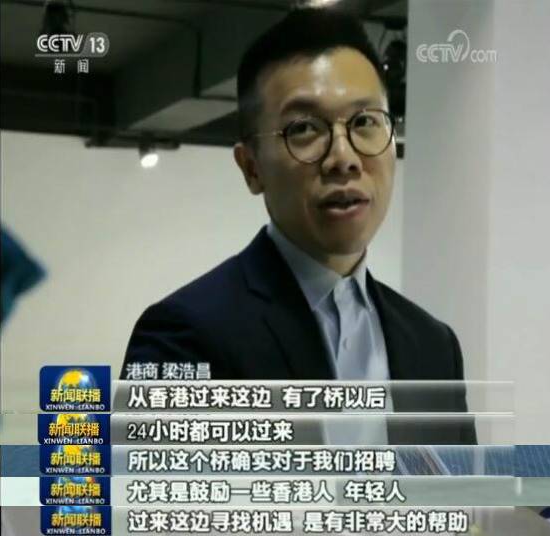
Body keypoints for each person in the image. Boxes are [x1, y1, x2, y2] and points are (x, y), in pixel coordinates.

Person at [121, 7, 476, 445]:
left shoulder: (434, 345)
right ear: (251, 168)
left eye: (365, 122)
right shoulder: (185, 336)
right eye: (304, 128)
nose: (344, 158)